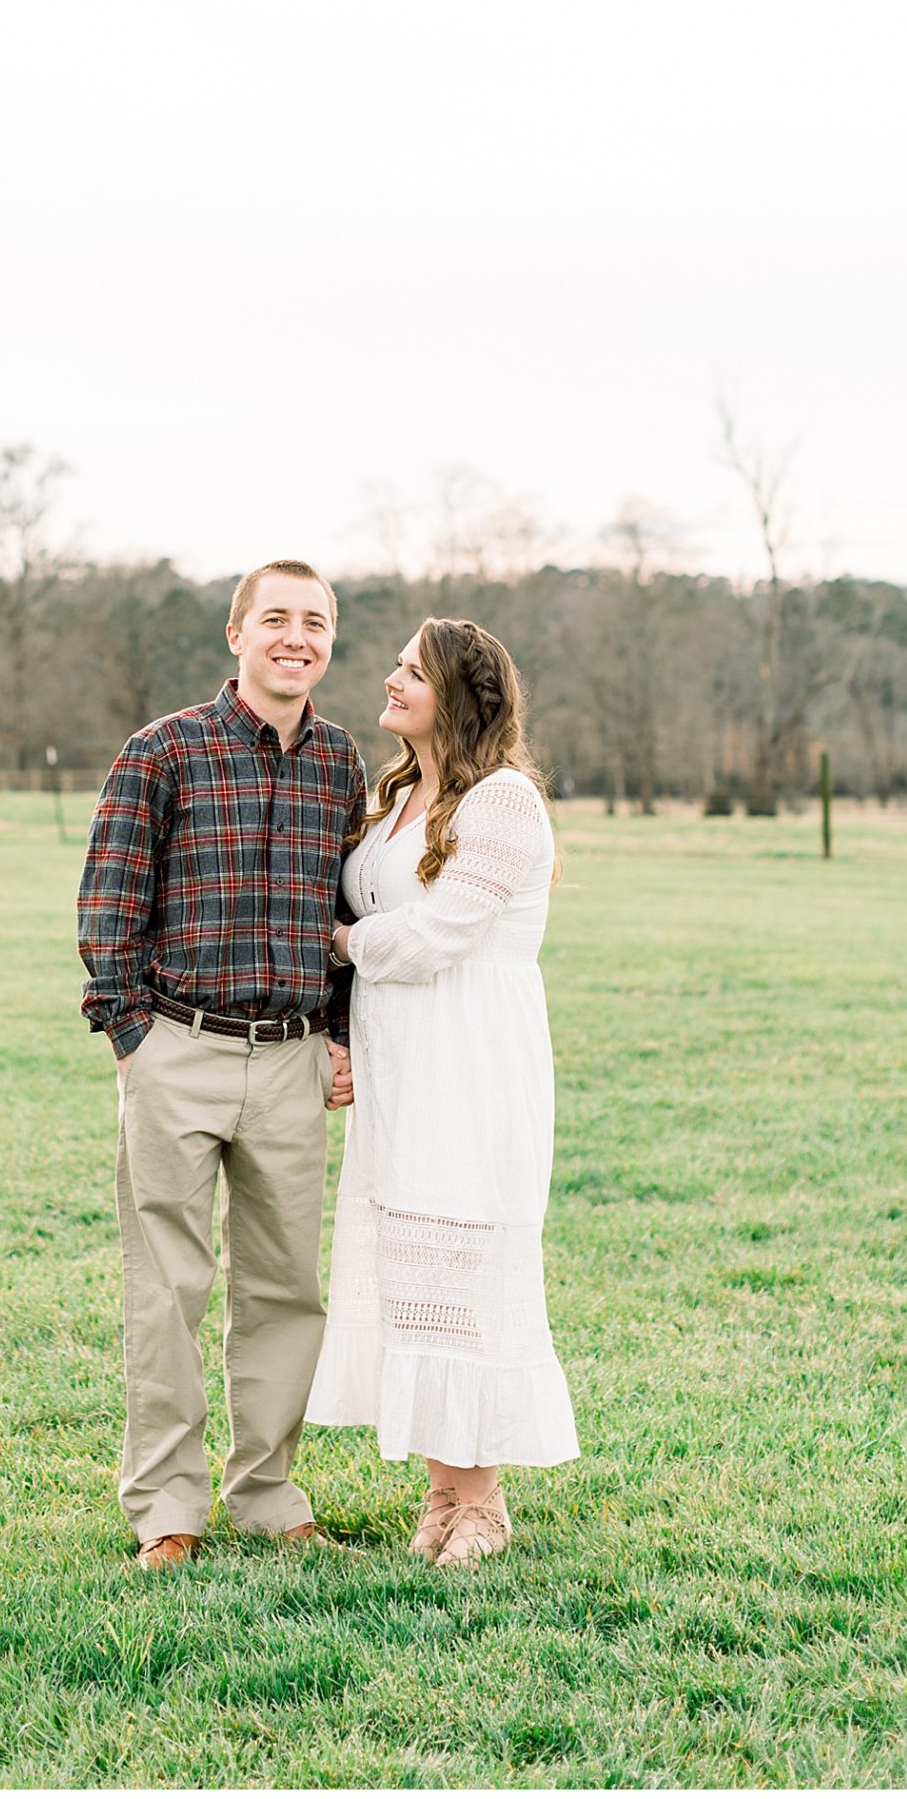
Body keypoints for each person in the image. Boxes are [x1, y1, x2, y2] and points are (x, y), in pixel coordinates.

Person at [77, 560, 364, 1573]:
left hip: (290, 1059)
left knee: (287, 1289)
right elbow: (109, 898)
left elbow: (348, 911)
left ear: (329, 641)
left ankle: (267, 1492)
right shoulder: (163, 750)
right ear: (236, 634)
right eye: (276, 618)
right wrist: (131, 1037)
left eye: (315, 622)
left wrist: (338, 1034)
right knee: (167, 1288)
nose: (297, 636)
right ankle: (167, 1507)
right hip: (178, 1047)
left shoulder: (340, 763)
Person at [305, 616, 580, 1566]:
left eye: (411, 672)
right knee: (410, 1271)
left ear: (457, 696)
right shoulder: (393, 797)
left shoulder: (503, 801)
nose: (389, 679)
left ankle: (483, 1502)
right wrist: (343, 1032)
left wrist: (339, 943)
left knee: (460, 1269)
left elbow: (437, 936)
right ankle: (441, 1491)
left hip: (471, 1056)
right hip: (399, 1059)